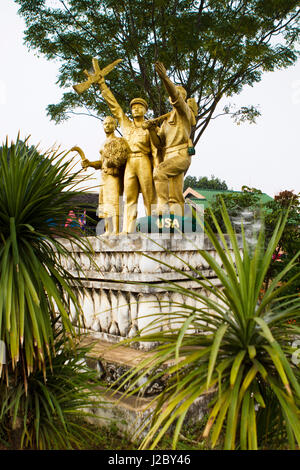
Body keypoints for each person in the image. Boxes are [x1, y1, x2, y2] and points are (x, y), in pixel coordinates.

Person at [97, 76, 160, 233]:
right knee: (129, 197)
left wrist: (157, 168)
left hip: (144, 160)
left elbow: (156, 149)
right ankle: (127, 229)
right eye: (133, 107)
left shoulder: (150, 127)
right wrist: (103, 86)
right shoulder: (126, 125)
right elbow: (115, 108)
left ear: (145, 110)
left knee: (149, 196)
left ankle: (152, 228)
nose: (135, 109)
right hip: (130, 162)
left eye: (139, 107)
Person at [145, 62, 197, 216]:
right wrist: (151, 129)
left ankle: (162, 205)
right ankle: (176, 217)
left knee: (159, 172)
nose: (175, 95)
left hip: (181, 154)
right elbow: (159, 143)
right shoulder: (167, 121)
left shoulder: (185, 112)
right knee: (175, 193)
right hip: (168, 154)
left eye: (178, 94)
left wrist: (165, 78)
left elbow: (176, 97)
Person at [81, 116, 129, 235]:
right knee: (105, 203)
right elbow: (101, 162)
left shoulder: (119, 141)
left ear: (115, 126)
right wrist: (90, 163)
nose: (107, 125)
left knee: (114, 201)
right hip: (104, 176)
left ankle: (116, 230)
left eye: (110, 123)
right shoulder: (103, 143)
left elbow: (121, 159)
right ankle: (108, 230)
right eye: (105, 124)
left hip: (114, 175)